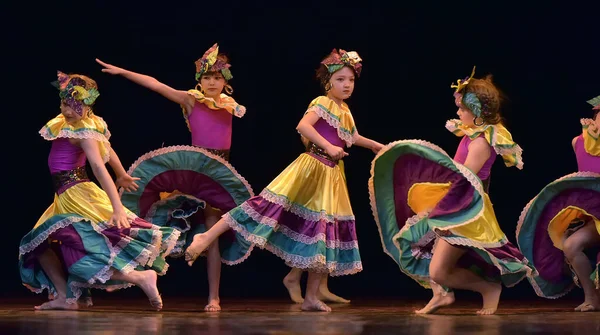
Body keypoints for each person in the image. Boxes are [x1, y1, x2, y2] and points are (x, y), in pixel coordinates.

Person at [184, 48, 384, 312]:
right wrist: (328, 146)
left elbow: (351, 137)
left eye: (351, 80)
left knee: (321, 230)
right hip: (312, 166)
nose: (346, 84)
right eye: (340, 80)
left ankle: (311, 296)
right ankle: (206, 237)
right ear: (328, 82)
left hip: (331, 173)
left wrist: (376, 146)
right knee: (264, 206)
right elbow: (303, 126)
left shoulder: (344, 109)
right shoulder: (322, 102)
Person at [96, 43, 254, 312]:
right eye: (206, 77)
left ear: (225, 80)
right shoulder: (190, 100)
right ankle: (129, 275)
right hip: (193, 172)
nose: (212, 82)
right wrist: (123, 72)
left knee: (212, 234)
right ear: (199, 81)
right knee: (161, 227)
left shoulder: (230, 104)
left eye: (217, 77)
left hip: (218, 175)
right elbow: (156, 85)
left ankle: (213, 296)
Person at [369, 67, 532, 315]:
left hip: (466, 211)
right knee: (411, 244)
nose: (458, 113)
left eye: (462, 109)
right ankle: (440, 294)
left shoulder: (480, 143)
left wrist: (440, 206)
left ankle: (487, 288)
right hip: (455, 204)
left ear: (477, 113)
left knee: (438, 270)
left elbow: (465, 181)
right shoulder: (471, 135)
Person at [18, 71, 180, 311]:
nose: (67, 110)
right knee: (41, 243)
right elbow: (108, 146)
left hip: (78, 195)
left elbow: (97, 165)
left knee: (78, 245)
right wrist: (122, 173)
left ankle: (140, 278)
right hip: (63, 196)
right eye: (64, 103)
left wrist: (117, 207)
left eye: (74, 106)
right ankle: (68, 297)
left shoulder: (84, 129)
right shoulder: (74, 123)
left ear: (88, 104)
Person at [516, 95, 600, 311]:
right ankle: (591, 297)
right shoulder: (578, 142)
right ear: (595, 116)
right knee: (571, 245)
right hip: (593, 214)